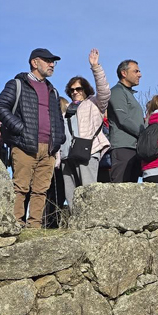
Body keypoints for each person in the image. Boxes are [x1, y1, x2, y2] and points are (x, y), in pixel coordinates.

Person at [0, 48, 67, 228]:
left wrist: (59, 139)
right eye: (48, 61)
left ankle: (34, 226)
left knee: (41, 191)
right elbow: (0, 107)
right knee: (20, 187)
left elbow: (57, 117)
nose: (52, 65)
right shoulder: (17, 84)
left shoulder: (53, 91)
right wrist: (20, 128)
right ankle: (16, 224)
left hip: (48, 148)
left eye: (53, 62)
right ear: (34, 63)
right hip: (25, 145)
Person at [59, 49, 111, 203]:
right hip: (66, 154)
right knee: (71, 194)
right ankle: (74, 223)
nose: (75, 92)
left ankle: (90, 224)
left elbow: (104, 91)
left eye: (78, 89)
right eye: (72, 89)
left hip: (88, 150)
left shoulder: (94, 104)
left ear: (85, 89)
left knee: (89, 191)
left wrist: (95, 67)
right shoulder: (66, 109)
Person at [107, 59, 145, 182]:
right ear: (124, 73)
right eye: (136, 71)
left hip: (134, 148)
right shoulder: (117, 92)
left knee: (130, 189)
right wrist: (144, 134)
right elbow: (123, 118)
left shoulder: (128, 94)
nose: (140, 74)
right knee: (119, 187)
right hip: (123, 148)